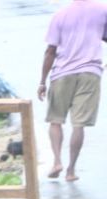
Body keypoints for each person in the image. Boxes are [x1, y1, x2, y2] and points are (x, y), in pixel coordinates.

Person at [38, 0, 107, 180]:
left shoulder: (60, 14)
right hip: (90, 73)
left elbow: (50, 51)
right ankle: (71, 170)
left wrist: (42, 81)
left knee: (55, 121)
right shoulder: (102, 10)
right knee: (79, 124)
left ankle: (57, 162)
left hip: (62, 73)